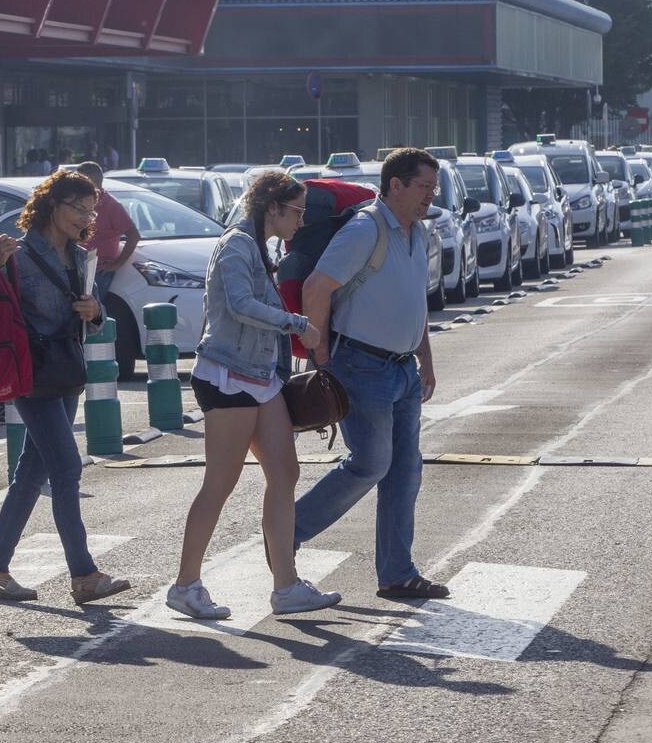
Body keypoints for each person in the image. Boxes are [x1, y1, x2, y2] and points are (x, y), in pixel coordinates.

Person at [166, 171, 341, 618]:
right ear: (273, 207)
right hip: (228, 375)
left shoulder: (259, 246)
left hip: (259, 376)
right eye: (297, 211)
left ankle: (286, 587)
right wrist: (299, 324)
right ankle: (185, 585)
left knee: (284, 472)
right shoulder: (237, 244)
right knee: (219, 484)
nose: (301, 220)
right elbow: (241, 305)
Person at [296, 147, 446, 600]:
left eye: (433, 189)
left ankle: (398, 574)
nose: (429, 197)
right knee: (371, 462)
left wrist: (426, 358)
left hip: (400, 370)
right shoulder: (365, 228)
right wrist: (321, 356)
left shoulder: (417, 233)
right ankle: (285, 533)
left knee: (405, 472)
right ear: (395, 185)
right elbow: (316, 287)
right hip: (359, 365)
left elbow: (413, 303)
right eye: (423, 187)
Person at [0, 171, 131, 606]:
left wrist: (95, 310)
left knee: (31, 472)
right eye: (78, 207)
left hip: (67, 371)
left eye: (90, 209)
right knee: (66, 469)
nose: (86, 217)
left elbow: (93, 312)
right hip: (32, 375)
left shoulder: (82, 257)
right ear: (52, 205)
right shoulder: (18, 255)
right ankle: (83, 574)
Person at [76, 161, 140, 302]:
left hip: (98, 270)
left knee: (91, 314)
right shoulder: (78, 203)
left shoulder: (111, 205)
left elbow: (134, 236)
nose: (75, 186)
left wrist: (116, 265)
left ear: (91, 182)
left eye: (79, 181)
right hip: (77, 265)